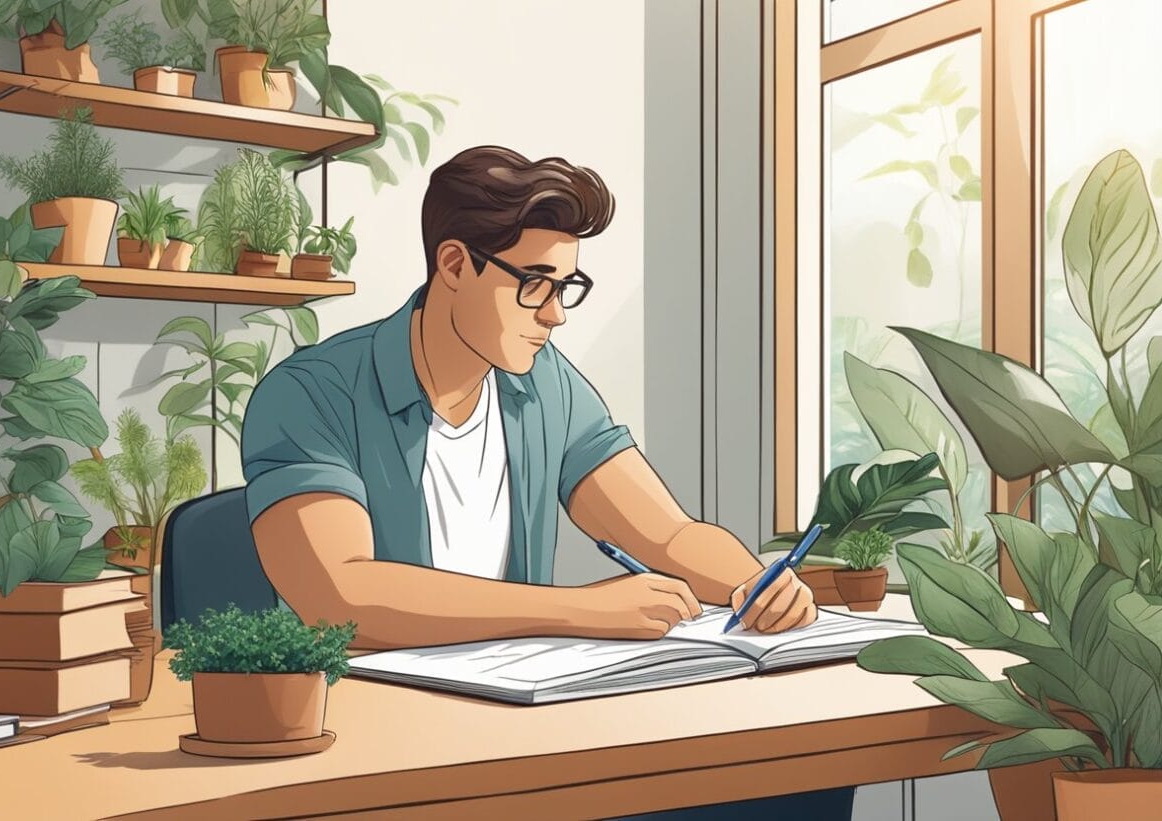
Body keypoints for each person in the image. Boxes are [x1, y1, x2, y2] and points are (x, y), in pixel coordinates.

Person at [240, 145, 854, 819]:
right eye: (534, 283)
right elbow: (340, 594)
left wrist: (751, 583)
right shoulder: (311, 394)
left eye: (565, 287)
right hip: (361, 753)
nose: (556, 314)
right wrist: (581, 610)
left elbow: (666, 531)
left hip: (520, 737)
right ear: (454, 264)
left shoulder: (544, 385)